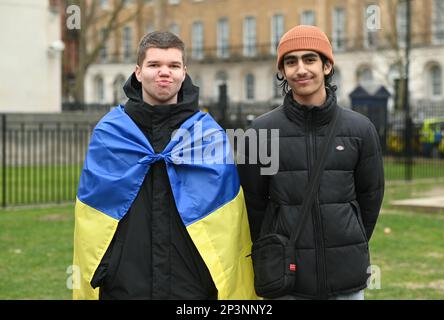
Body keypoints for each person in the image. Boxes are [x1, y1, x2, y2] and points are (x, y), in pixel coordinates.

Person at [73, 31, 256, 300]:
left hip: (193, 287)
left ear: (184, 72)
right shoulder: (110, 133)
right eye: (154, 65)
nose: (164, 73)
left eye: (173, 66)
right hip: (124, 285)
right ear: (138, 72)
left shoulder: (208, 135)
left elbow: (229, 222)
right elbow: (92, 218)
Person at [237, 25, 384, 300]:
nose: (300, 69)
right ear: (282, 71)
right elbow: (252, 203)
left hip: (346, 276)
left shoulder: (361, 129)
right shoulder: (259, 131)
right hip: (287, 278)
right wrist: (271, 245)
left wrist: (348, 237)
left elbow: (371, 196)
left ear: (327, 65)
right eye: (290, 62)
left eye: (310, 59)